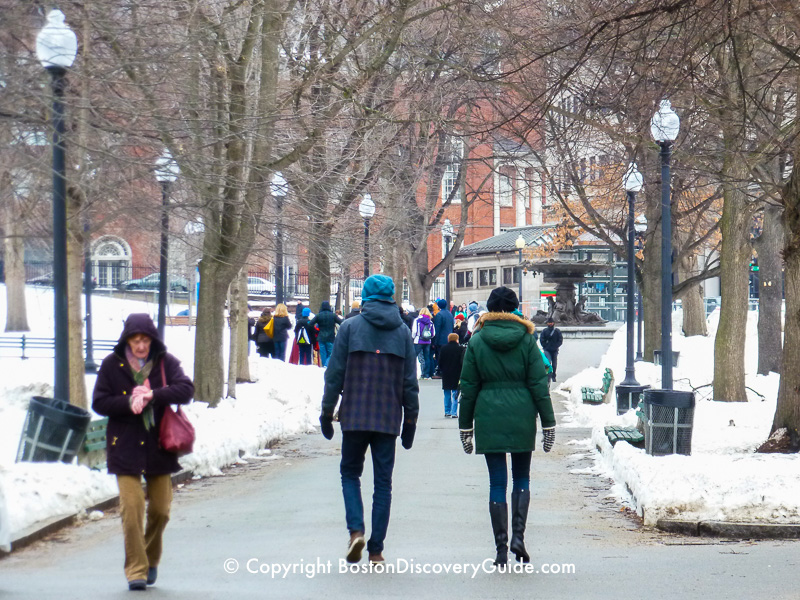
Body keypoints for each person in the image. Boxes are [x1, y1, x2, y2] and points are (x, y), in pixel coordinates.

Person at [319, 274, 419, 565]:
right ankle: (376, 549)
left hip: (355, 415)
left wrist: (327, 412)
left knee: (350, 474)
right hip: (388, 419)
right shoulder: (402, 332)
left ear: (365, 296)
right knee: (383, 483)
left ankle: (356, 531)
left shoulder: (349, 327)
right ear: (391, 297)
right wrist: (410, 421)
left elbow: (334, 375)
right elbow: (409, 383)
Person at [92, 313, 194, 591]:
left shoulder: (165, 362)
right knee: (132, 508)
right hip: (124, 446)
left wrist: (153, 396)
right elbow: (99, 402)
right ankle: (135, 569)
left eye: (145, 340)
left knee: (161, 509)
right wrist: (128, 403)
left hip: (159, 446)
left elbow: (186, 389)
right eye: (135, 340)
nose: (140, 346)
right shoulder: (112, 365)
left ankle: (150, 559)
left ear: (152, 340)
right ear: (127, 340)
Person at [458, 287, 555, 567]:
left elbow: (469, 387)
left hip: (488, 416)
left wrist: (465, 428)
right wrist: (548, 423)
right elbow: (539, 384)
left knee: (497, 482)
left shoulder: (477, 341)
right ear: (514, 309)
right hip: (522, 415)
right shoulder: (527, 340)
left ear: (489, 309)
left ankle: (501, 547)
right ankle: (518, 538)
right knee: (522, 478)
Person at [437, 332, 464, 418]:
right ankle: (454, 412)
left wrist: (442, 370)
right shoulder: (461, 349)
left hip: (446, 373)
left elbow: (440, 361)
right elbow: (462, 362)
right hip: (457, 373)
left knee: (447, 393)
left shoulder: (443, 348)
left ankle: (447, 411)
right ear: (457, 339)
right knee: (455, 393)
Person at [310, 301, 343, 367]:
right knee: (331, 354)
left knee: (323, 354)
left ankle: (324, 367)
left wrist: (316, 331)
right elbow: (341, 322)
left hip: (321, 337)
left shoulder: (319, 315)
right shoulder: (333, 315)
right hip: (331, 337)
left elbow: (310, 324)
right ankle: (327, 365)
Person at [431, 298, 454, 377]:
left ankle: (441, 372)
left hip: (441, 340)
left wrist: (434, 342)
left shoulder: (439, 315)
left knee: (440, 356)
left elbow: (437, 329)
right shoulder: (450, 314)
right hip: (449, 338)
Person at [411, 307, 435, 379]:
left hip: (418, 340)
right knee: (426, 357)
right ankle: (426, 374)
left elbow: (414, 331)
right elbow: (433, 333)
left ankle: (412, 374)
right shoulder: (430, 322)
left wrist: (413, 338)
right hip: (427, 341)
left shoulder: (417, 320)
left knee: (413, 357)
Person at [539, 318, 563, 382]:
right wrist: (545, 346)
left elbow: (560, 340)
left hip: (554, 350)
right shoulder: (544, 331)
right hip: (547, 350)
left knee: (554, 364)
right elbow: (542, 340)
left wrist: (556, 346)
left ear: (553, 323)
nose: (550, 324)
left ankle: (553, 375)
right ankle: (547, 374)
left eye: (551, 322)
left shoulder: (557, 331)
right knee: (548, 362)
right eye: (549, 323)